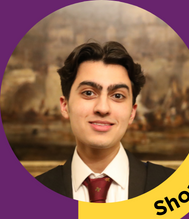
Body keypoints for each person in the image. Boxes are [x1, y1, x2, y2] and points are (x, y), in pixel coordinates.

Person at [36, 41, 175, 202]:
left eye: (117, 96)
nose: (102, 108)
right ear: (65, 105)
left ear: (132, 112)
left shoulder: (173, 187)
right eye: (88, 93)